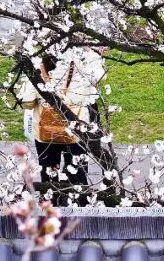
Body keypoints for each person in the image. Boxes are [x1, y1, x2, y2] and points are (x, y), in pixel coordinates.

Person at [17, 47, 106, 206]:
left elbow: (26, 102)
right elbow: (100, 77)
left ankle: (51, 206)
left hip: (46, 135)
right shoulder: (83, 67)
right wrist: (95, 55)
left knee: (49, 175)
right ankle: (81, 206)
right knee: (78, 174)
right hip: (77, 132)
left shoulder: (38, 70)